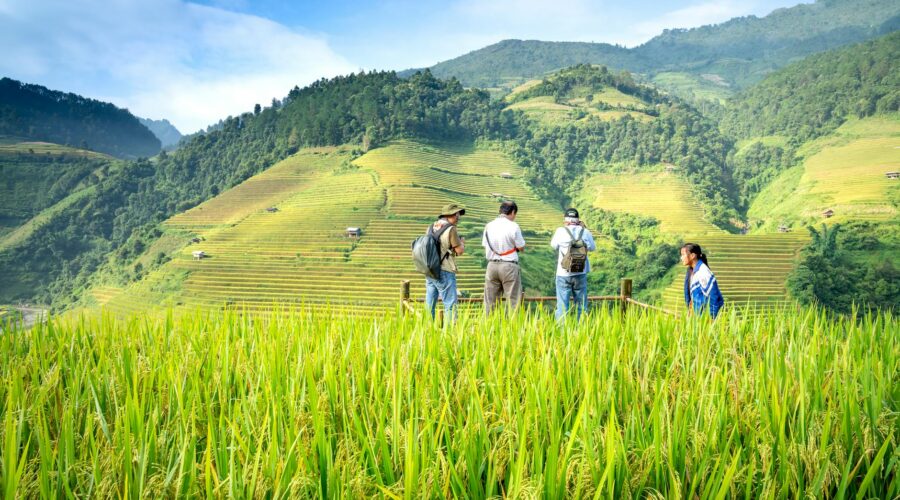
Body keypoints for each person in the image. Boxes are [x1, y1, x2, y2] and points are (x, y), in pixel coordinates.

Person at [550, 208, 596, 320]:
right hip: (581, 272)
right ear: (578, 220)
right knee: (582, 306)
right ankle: (581, 332)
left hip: (563, 273)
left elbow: (553, 246)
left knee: (562, 306)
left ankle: (561, 333)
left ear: (565, 220)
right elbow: (592, 248)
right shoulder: (585, 232)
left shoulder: (560, 231)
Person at [482, 201, 525, 314]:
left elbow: (484, 244)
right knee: (513, 301)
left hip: (491, 266)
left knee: (490, 302)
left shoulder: (488, 225)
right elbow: (521, 247)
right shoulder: (514, 226)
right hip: (509, 266)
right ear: (512, 212)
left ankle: (489, 328)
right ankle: (511, 328)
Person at [425, 204, 466, 322]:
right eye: (457, 214)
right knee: (450, 304)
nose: (458, 217)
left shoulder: (431, 226)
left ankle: (427, 329)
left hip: (430, 269)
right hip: (445, 270)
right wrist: (462, 242)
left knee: (430, 302)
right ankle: (450, 335)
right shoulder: (451, 229)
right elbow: (459, 251)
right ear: (450, 215)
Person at [681, 243, 724, 318]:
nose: (681, 258)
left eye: (683, 255)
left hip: (705, 319)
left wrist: (712, 318)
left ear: (692, 256)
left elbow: (714, 297)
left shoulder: (703, 272)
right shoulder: (693, 271)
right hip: (698, 318)